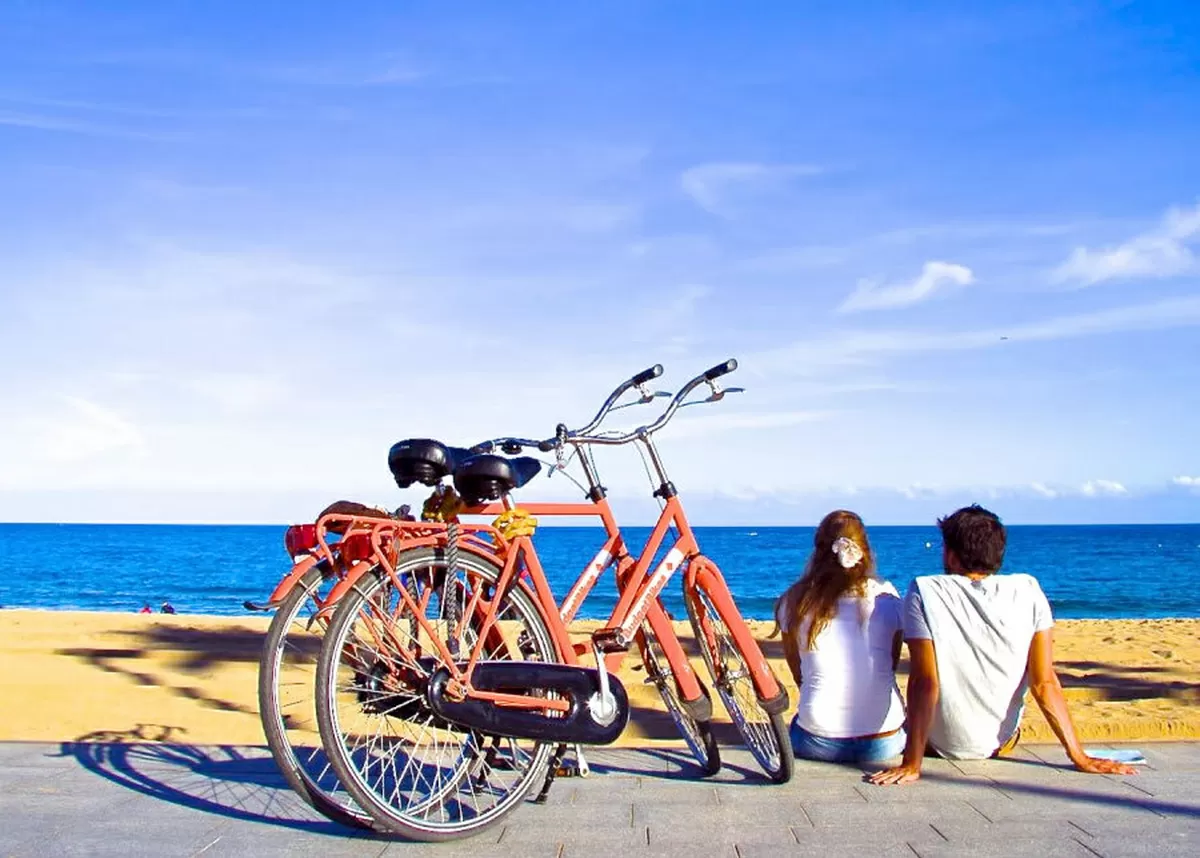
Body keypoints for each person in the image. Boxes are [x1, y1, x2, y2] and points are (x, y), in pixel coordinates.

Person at [870, 504, 1137, 785]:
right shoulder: (1029, 590)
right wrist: (1079, 757)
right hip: (1000, 744)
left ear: (950, 552)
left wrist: (912, 764)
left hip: (934, 745)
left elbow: (925, 682)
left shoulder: (925, 589)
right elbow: (1044, 683)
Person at [774, 510, 906, 763]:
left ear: (818, 551)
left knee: (797, 724)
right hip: (883, 742)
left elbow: (799, 672)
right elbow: (891, 661)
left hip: (817, 742)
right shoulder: (886, 596)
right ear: (864, 550)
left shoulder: (795, 602)